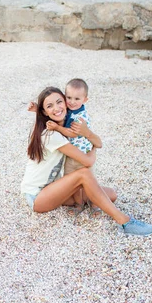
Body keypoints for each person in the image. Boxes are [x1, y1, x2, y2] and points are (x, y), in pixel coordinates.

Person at [21, 87, 152, 236]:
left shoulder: (65, 126)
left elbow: (99, 142)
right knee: (84, 174)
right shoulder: (51, 135)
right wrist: (92, 148)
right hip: (38, 197)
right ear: (44, 112)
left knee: (111, 194)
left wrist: (87, 133)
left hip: (54, 188)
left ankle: (89, 202)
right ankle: (125, 221)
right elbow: (88, 162)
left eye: (59, 102)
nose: (56, 108)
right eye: (50, 106)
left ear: (67, 103)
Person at [28, 78, 100, 215]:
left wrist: (92, 143)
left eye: (77, 99)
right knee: (78, 183)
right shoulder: (66, 116)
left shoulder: (79, 117)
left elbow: (71, 133)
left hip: (81, 154)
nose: (72, 102)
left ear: (85, 100)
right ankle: (80, 205)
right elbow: (54, 112)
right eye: (69, 98)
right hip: (71, 158)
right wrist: (38, 109)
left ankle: (94, 205)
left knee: (93, 183)